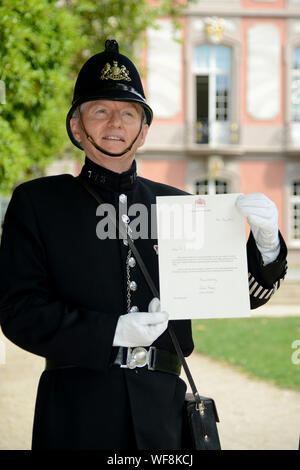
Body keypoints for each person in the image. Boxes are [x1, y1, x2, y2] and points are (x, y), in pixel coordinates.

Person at [0, 39, 287, 450]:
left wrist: (266, 246)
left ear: (144, 129)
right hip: (75, 411)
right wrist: (111, 330)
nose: (115, 122)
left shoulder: (181, 205)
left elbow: (239, 294)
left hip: (162, 417)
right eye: (100, 110)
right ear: (77, 126)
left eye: (129, 113)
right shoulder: (39, 203)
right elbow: (18, 312)